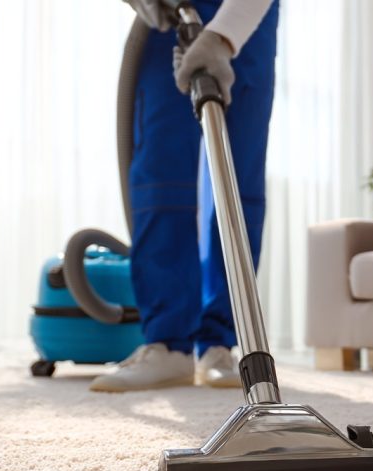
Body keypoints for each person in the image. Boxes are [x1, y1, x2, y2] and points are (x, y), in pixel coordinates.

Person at [90, 0, 278, 392]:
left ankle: (220, 345)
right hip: (166, 21)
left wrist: (225, 35)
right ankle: (168, 345)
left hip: (247, 13)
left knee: (237, 175)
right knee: (162, 171)